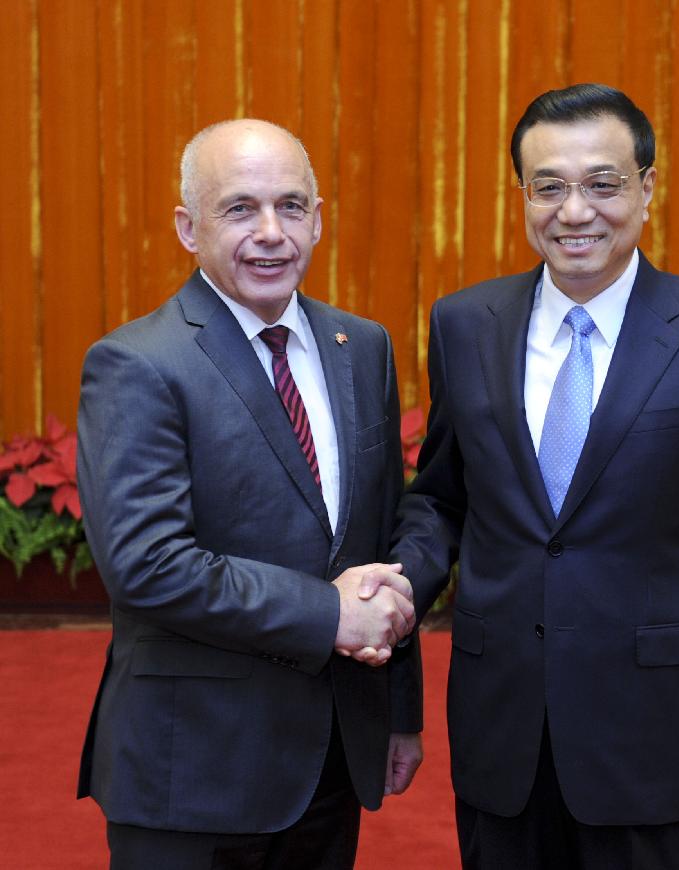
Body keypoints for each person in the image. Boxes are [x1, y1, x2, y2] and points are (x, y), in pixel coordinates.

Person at [390, 84, 679, 869]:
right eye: (550, 187)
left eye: (602, 184)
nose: (575, 211)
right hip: (501, 728)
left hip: (652, 737)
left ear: (646, 187)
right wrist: (395, 590)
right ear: (523, 195)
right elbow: (441, 498)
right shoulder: (463, 324)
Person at [76, 119, 423, 870]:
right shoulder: (137, 364)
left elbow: (381, 541)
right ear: (187, 227)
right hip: (191, 772)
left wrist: (399, 712)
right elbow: (148, 566)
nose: (271, 233)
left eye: (291, 206)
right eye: (239, 209)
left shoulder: (361, 347)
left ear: (319, 218)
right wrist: (331, 611)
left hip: (332, 757)